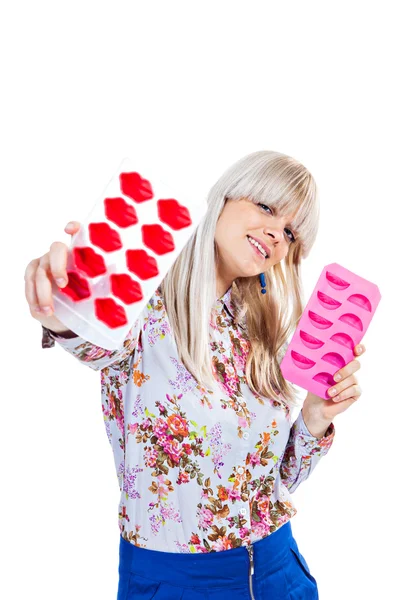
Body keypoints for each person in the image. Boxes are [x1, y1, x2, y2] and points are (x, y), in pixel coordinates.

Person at [25, 150, 364, 599]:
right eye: (266, 207)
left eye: (290, 233)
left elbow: (276, 483)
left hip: (280, 571)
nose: (276, 235)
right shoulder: (143, 305)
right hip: (177, 582)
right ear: (224, 197)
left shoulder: (260, 328)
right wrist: (59, 304)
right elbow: (89, 340)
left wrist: (316, 416)